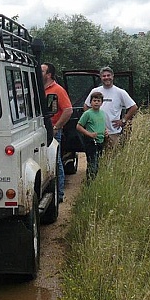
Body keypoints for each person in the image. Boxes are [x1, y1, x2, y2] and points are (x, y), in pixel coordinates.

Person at [85, 66, 138, 152]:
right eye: (104, 76)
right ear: (101, 77)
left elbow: (134, 107)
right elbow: (86, 106)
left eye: (108, 75)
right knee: (96, 157)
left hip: (113, 132)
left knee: (112, 158)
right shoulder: (95, 91)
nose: (106, 78)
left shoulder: (120, 92)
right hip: (96, 133)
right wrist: (90, 120)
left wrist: (123, 120)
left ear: (112, 76)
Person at [41, 63, 72, 202]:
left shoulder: (58, 90)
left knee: (56, 161)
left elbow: (68, 110)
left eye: (41, 70)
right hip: (39, 130)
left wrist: (56, 127)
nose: (38, 72)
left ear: (49, 74)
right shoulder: (38, 88)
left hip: (52, 130)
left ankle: (59, 194)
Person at [76, 90, 107, 181]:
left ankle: (96, 181)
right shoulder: (87, 113)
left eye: (98, 101)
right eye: (94, 101)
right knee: (92, 162)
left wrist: (106, 132)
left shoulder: (102, 113)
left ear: (101, 103)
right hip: (91, 142)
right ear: (91, 102)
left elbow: (102, 125)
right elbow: (78, 126)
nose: (96, 103)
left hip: (101, 141)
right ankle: (90, 181)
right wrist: (89, 134)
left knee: (99, 162)